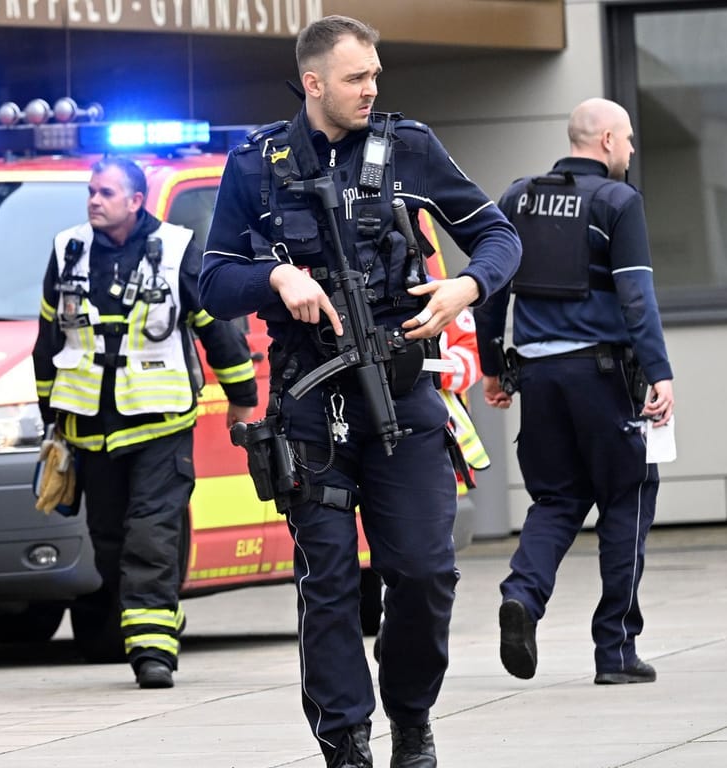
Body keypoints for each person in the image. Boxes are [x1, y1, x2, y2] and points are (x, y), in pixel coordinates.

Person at [198, 15, 521, 768]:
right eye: (356, 77)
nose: (372, 88)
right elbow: (211, 279)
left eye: (375, 75)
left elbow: (500, 235)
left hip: (405, 391)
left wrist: (464, 288)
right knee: (330, 581)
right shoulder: (255, 165)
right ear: (314, 83)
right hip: (310, 401)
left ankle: (411, 714)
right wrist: (275, 276)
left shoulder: (409, 147)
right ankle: (345, 740)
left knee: (424, 570)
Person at [32, 157, 258, 690]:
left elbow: (217, 329)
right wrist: (51, 422)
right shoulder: (68, 250)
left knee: (152, 537)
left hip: (160, 425)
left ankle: (154, 652)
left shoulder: (179, 250)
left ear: (135, 200)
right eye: (91, 191)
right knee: (109, 542)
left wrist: (243, 398)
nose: (94, 200)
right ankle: (157, 617)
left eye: (105, 192)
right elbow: (48, 343)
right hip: (89, 429)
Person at [474, 97, 675, 686]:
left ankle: (522, 597)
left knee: (557, 500)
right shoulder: (617, 201)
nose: (632, 150)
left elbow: (490, 289)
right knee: (627, 496)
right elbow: (636, 297)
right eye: (630, 139)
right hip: (603, 377)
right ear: (608, 141)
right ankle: (615, 653)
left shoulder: (517, 198)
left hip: (537, 379)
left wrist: (493, 367)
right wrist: (659, 372)